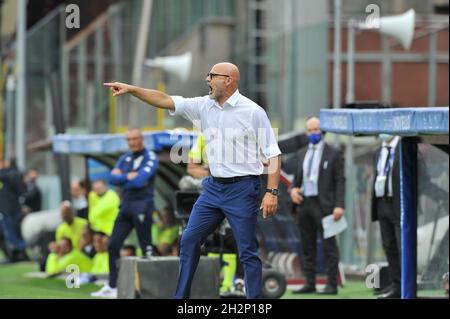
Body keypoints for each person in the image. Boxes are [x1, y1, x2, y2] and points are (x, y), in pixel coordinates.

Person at [104, 62, 282, 299]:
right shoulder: (203, 106)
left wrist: (272, 192)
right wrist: (132, 89)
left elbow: (273, 153)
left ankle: (254, 302)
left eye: (212, 75)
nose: (207, 79)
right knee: (188, 240)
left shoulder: (253, 111)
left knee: (247, 251)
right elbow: (164, 99)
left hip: (243, 188)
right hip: (213, 188)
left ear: (228, 80)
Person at [91, 128, 159, 298]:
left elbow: (140, 180)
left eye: (134, 139)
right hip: (126, 206)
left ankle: (148, 291)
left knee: (146, 248)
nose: (131, 142)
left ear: (141, 139)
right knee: (113, 244)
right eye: (128, 139)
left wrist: (125, 177)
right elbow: (112, 179)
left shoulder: (150, 157)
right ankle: (112, 286)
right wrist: (129, 177)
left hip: (142, 206)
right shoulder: (125, 157)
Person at [289, 116, 345, 295]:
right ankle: (309, 282)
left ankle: (331, 284)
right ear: (306, 132)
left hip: (325, 205)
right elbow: (295, 180)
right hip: (305, 204)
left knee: (329, 246)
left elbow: (340, 181)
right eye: (310, 130)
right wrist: (292, 190)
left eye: (316, 129)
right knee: (307, 244)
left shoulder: (334, 153)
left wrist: (339, 205)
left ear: (323, 131)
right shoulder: (301, 153)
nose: (314, 133)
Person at [0, 158, 27, 262]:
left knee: (13, 233)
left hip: (10, 210)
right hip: (11, 209)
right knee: (13, 233)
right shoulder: (13, 174)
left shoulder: (10, 174)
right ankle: (17, 254)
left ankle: (20, 254)